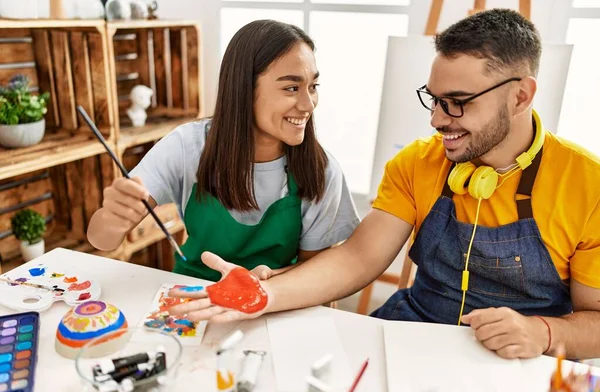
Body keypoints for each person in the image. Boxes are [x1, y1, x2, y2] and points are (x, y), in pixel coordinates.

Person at [167, 9, 600, 361]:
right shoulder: (416, 163)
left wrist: (542, 332)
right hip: (415, 328)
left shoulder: (588, 185)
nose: (436, 120)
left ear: (521, 96)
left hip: (527, 359)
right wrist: (264, 295)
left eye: (457, 103)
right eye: (433, 99)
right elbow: (357, 258)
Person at [87, 20, 360, 281]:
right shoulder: (187, 147)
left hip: (276, 301)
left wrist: (270, 279)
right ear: (243, 88)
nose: (308, 104)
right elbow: (101, 240)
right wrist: (113, 219)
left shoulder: (321, 171)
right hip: (191, 296)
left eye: (313, 87)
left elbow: (316, 275)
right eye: (291, 88)